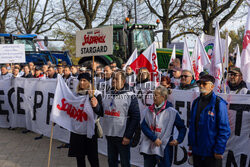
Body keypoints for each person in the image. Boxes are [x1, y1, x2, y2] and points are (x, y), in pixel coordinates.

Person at [188, 75, 231, 167]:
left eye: (204, 83)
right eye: (200, 83)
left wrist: (219, 150)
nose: (201, 85)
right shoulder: (196, 102)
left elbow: (224, 129)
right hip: (197, 151)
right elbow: (192, 125)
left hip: (212, 153)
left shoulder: (218, 103)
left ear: (212, 86)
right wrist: (191, 143)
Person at [140, 86, 186, 167]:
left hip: (165, 148)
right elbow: (143, 125)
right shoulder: (148, 109)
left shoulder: (172, 112)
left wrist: (178, 140)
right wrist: (154, 138)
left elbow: (182, 128)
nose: (153, 97)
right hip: (149, 147)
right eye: (153, 95)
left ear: (163, 97)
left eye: (156, 95)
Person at [102, 70, 140, 167]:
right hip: (110, 135)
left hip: (123, 136)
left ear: (123, 81)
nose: (113, 81)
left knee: (124, 163)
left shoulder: (130, 96)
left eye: (116, 79)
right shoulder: (107, 94)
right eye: (112, 78)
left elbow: (135, 117)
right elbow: (101, 111)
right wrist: (95, 106)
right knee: (111, 161)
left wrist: (128, 136)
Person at [68, 73, 103, 167]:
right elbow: (68, 109)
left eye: (84, 81)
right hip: (77, 131)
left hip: (90, 131)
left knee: (92, 158)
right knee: (79, 158)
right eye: (80, 80)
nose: (82, 83)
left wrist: (95, 105)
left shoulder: (97, 94)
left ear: (89, 83)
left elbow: (101, 112)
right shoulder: (75, 95)